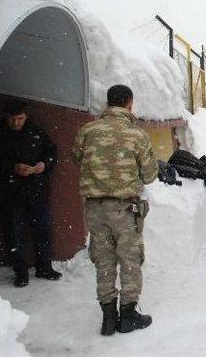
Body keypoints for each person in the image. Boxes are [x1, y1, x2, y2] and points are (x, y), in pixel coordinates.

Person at [72, 85, 158, 335]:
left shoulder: (87, 130)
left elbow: (77, 158)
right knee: (130, 259)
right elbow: (150, 174)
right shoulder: (137, 135)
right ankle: (128, 315)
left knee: (103, 260)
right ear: (129, 104)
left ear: (108, 103)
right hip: (125, 208)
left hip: (95, 208)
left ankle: (108, 318)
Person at [0, 100, 61, 288]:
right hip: (9, 191)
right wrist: (12, 168)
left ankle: (44, 267)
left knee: (41, 228)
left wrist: (43, 164)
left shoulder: (36, 132)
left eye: (20, 119)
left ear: (26, 117)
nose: (16, 123)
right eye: (13, 119)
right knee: (13, 232)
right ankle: (20, 271)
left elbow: (51, 151)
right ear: (6, 117)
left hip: (36, 189)